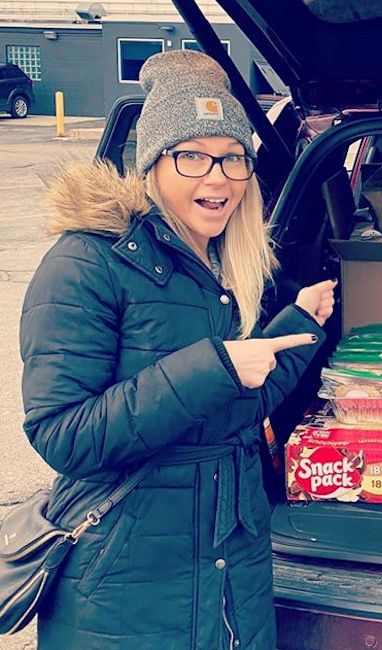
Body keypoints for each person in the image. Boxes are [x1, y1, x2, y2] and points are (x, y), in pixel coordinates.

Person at [19, 49, 332, 649]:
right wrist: (210, 367)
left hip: (232, 565)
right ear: (153, 164)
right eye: (193, 156)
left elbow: (231, 410)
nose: (218, 177)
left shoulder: (226, 265)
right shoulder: (86, 263)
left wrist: (298, 328)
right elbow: (63, 435)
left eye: (234, 158)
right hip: (126, 581)